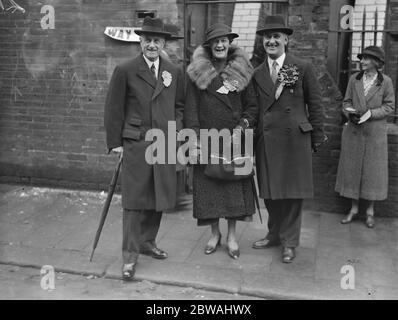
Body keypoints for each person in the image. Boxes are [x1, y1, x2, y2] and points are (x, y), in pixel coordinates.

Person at [104, 17, 184, 281]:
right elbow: (114, 108)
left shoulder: (173, 70)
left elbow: (180, 106)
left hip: (164, 143)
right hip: (136, 143)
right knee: (135, 201)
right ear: (140, 41)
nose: (152, 45)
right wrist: (116, 143)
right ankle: (129, 256)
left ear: (163, 43)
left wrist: (176, 131)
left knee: (158, 195)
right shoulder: (126, 69)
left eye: (156, 41)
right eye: (147, 40)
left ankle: (148, 242)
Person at [251, 16, 325, 263]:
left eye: (276, 36)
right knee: (270, 192)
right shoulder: (257, 72)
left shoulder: (301, 67)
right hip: (267, 139)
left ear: (285, 39)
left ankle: (290, 242)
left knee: (292, 193)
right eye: (267, 37)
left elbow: (315, 104)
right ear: (263, 41)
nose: (271, 41)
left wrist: (316, 137)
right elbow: (253, 108)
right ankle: (274, 234)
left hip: (295, 139)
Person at [184, 23, 258, 259]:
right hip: (207, 139)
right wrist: (194, 140)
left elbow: (252, 107)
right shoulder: (197, 73)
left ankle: (232, 236)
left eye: (224, 40)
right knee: (210, 192)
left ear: (229, 43)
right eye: (215, 41)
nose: (220, 45)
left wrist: (241, 128)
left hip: (234, 139)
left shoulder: (243, 71)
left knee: (233, 191)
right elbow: (191, 109)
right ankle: (214, 234)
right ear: (209, 46)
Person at [336, 46, 395, 228]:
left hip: (374, 135)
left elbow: (389, 107)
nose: (362, 61)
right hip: (354, 133)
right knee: (352, 172)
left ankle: (370, 212)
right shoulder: (355, 79)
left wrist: (371, 114)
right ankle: (353, 209)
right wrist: (349, 114)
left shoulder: (385, 82)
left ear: (376, 62)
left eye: (366, 59)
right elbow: (346, 102)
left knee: (372, 174)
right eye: (362, 58)